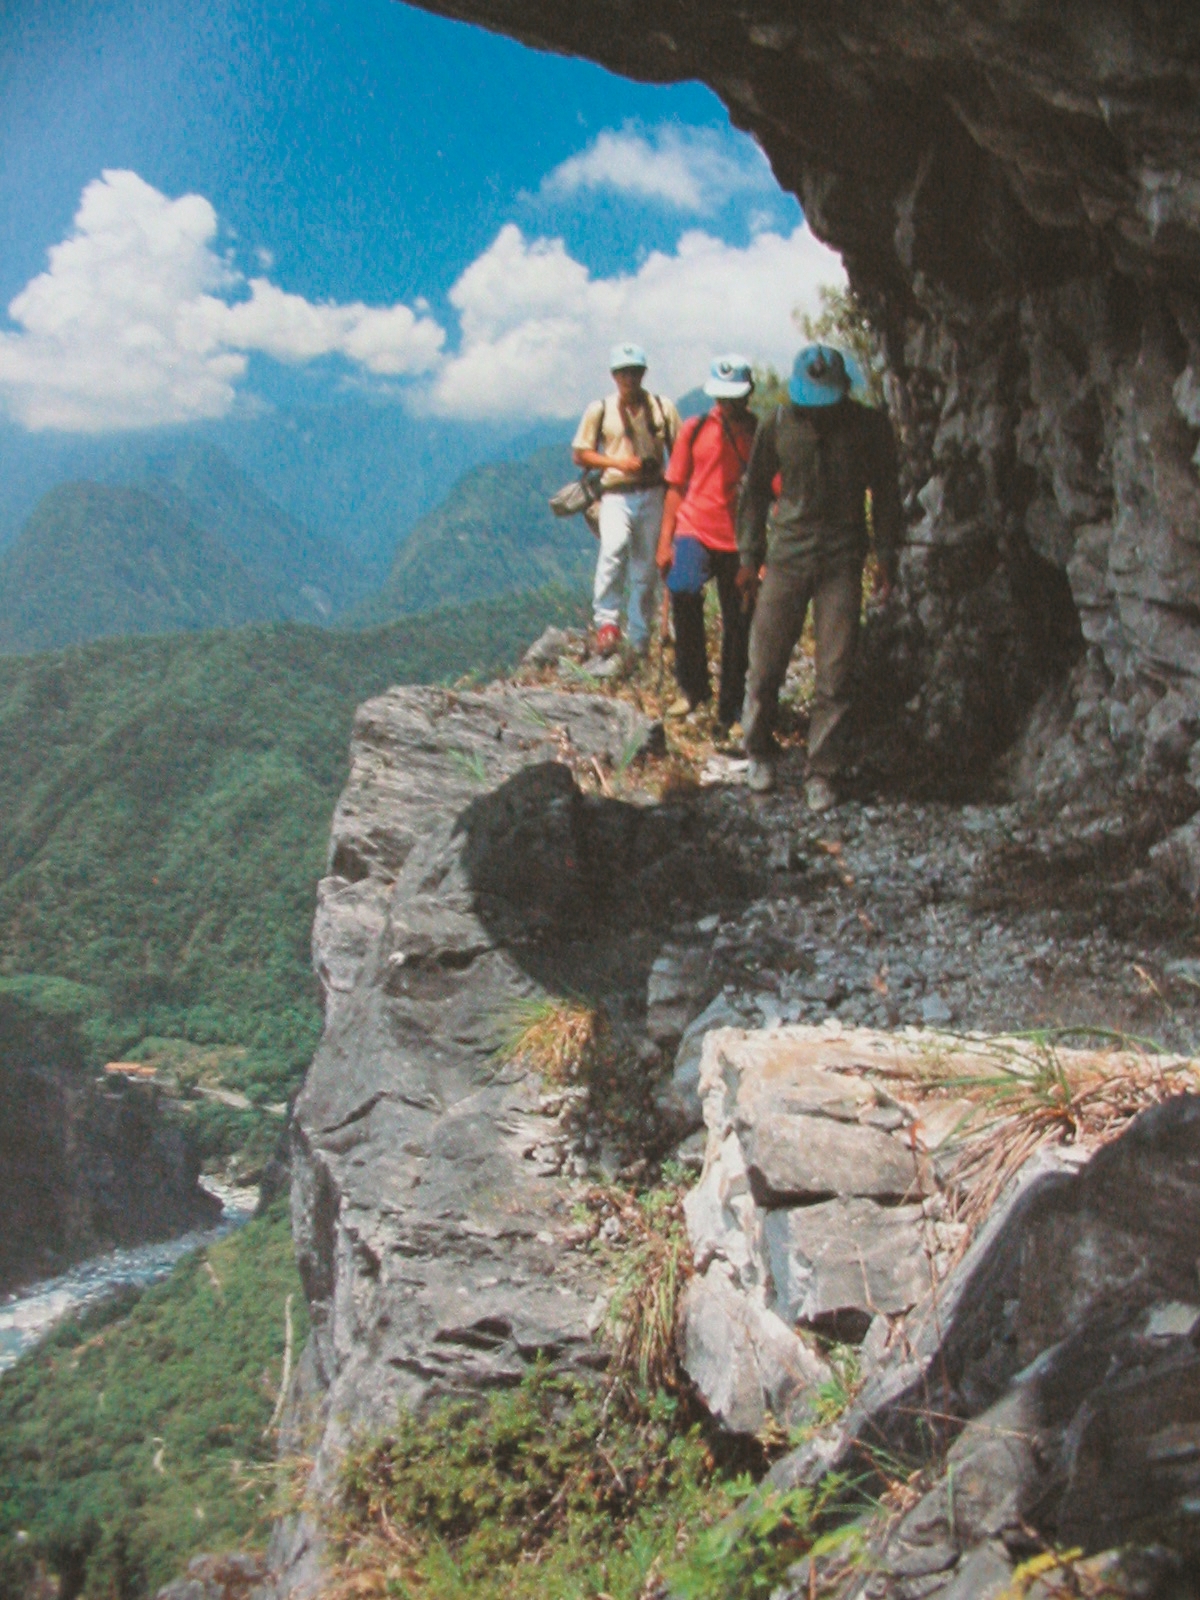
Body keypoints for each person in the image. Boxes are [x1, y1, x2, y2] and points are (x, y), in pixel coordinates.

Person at [736, 343, 903, 810]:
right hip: (787, 554)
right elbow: (753, 495)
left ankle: (823, 771)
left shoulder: (869, 428)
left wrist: (888, 554)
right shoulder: (778, 425)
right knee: (766, 661)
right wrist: (749, 557)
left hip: (842, 557)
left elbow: (887, 492)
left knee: (835, 669)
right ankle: (759, 751)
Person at [655, 355, 757, 733]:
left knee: (738, 622)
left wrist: (760, 557)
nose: (728, 405)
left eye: (735, 398)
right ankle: (693, 686)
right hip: (694, 528)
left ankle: (730, 709)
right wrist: (665, 541)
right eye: (723, 397)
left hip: (738, 539)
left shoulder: (759, 435)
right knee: (682, 589)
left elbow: (770, 493)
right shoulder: (695, 429)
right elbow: (676, 486)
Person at [573, 343, 681, 657]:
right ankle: (606, 622)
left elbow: (680, 453)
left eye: (634, 372)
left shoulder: (663, 408)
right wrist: (618, 463)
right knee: (613, 549)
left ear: (643, 374)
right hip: (616, 493)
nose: (629, 379)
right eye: (623, 373)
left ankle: (639, 635)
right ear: (614, 375)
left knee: (646, 567)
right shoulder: (601, 410)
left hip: (653, 492)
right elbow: (581, 454)